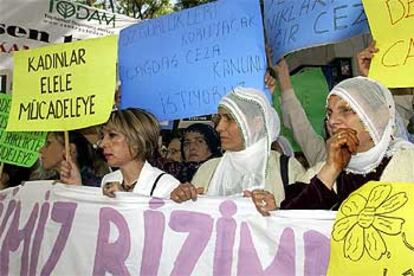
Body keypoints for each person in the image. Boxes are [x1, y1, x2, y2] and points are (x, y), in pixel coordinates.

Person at [259, 77, 414, 210]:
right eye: (329, 113)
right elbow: (293, 223)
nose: (332, 121)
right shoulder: (323, 169)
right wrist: (331, 170)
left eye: (346, 110)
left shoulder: (407, 162)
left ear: (379, 117)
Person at [170, 87, 305, 213]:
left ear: (257, 123)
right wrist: (182, 200)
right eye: (219, 119)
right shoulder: (208, 170)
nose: (219, 127)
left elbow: (302, 225)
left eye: (229, 119)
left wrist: (275, 212)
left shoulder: (287, 169)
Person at [61, 108, 180, 198]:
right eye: (103, 136)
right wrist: (76, 186)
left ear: (137, 141)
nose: (102, 144)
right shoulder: (108, 180)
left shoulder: (166, 185)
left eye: (112, 135)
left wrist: (124, 199)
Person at [40, 131, 105, 187]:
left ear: (70, 149)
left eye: (48, 144)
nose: (41, 150)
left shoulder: (97, 186)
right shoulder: (47, 184)